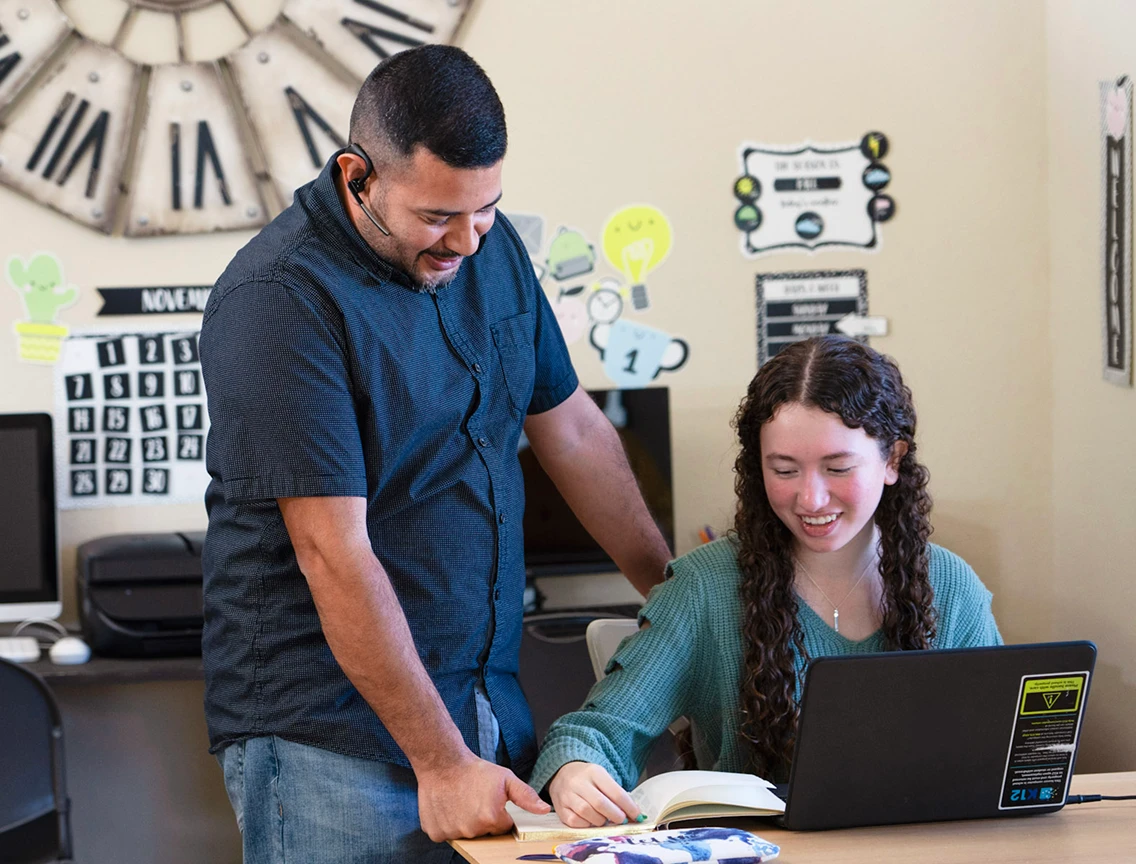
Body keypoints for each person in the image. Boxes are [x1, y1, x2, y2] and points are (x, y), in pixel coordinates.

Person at [198, 45, 672, 863]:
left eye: (485, 208)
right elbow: (331, 551)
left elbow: (576, 433)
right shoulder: (278, 300)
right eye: (435, 216)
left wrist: (676, 601)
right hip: (332, 737)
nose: (466, 238)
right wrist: (439, 760)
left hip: (484, 702)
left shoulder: (490, 250)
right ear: (358, 176)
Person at [528, 335, 1003, 828]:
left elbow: (997, 750)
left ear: (893, 460)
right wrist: (574, 770)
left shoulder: (951, 586)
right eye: (784, 469)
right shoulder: (702, 588)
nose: (811, 499)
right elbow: (595, 733)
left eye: (837, 467)